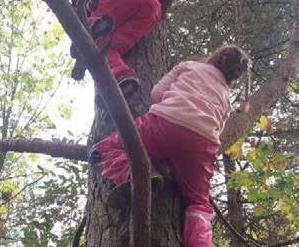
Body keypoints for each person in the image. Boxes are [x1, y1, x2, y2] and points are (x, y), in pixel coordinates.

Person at [89, 45, 252, 247]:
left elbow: (156, 94)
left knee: (103, 150)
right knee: (199, 203)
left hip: (162, 124)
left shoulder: (189, 66)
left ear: (215, 56)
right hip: (202, 144)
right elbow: (218, 127)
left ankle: (142, 174)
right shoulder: (226, 97)